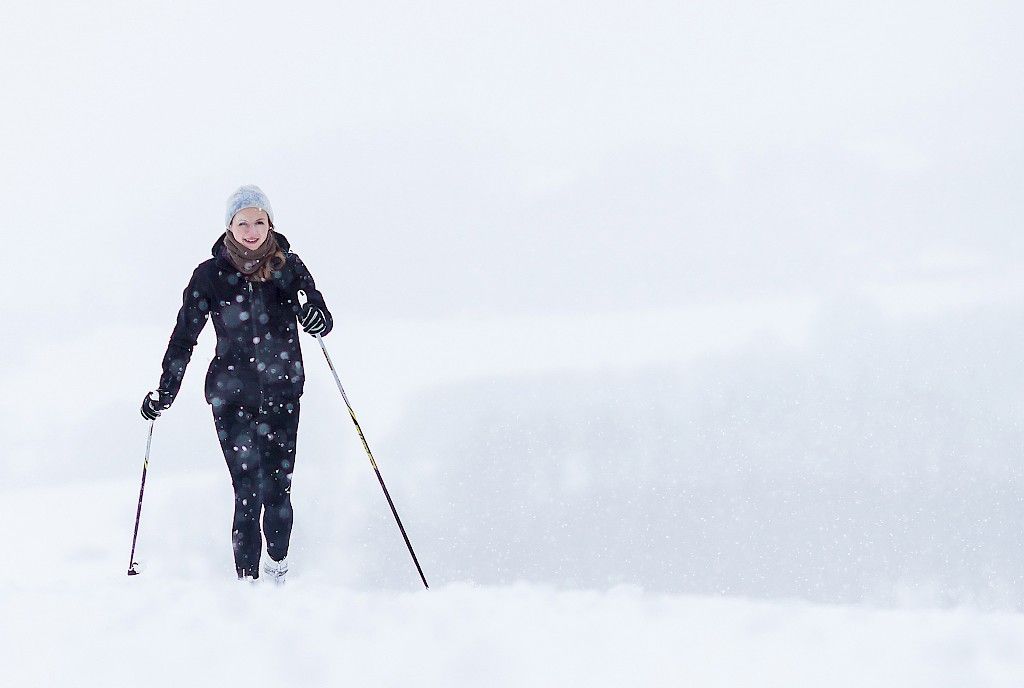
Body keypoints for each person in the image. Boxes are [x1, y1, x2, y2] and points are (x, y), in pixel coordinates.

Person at [141, 184, 332, 583]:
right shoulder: (210, 277)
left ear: (270, 224)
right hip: (231, 397)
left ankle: (277, 568)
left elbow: (318, 313)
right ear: (229, 226)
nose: (251, 230)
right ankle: (247, 587)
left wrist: (315, 318)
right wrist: (166, 392)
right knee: (248, 490)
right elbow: (184, 337)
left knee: (277, 493)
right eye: (242, 222)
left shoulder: (288, 268)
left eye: (258, 221)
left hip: (282, 392)